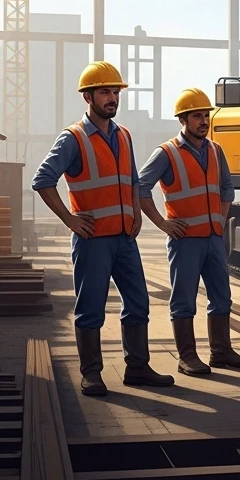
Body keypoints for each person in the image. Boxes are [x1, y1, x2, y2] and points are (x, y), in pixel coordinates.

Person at [32, 61, 174, 396]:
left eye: (115, 92)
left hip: (125, 238)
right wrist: (69, 219)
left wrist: (137, 215)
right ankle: (91, 373)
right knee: (91, 307)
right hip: (93, 241)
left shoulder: (123, 135)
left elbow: (133, 181)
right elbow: (43, 180)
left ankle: (137, 367)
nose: (112, 98)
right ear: (88, 96)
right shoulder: (74, 139)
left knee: (138, 303)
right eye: (105, 92)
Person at [138, 88, 240, 376]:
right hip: (185, 241)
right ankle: (187, 356)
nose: (204, 121)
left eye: (206, 115)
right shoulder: (166, 153)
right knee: (183, 298)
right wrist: (163, 224)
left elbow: (227, 188)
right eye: (197, 116)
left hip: (213, 238)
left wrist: (220, 218)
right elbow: (140, 187)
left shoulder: (216, 150)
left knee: (221, 296)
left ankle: (221, 352)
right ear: (183, 119)